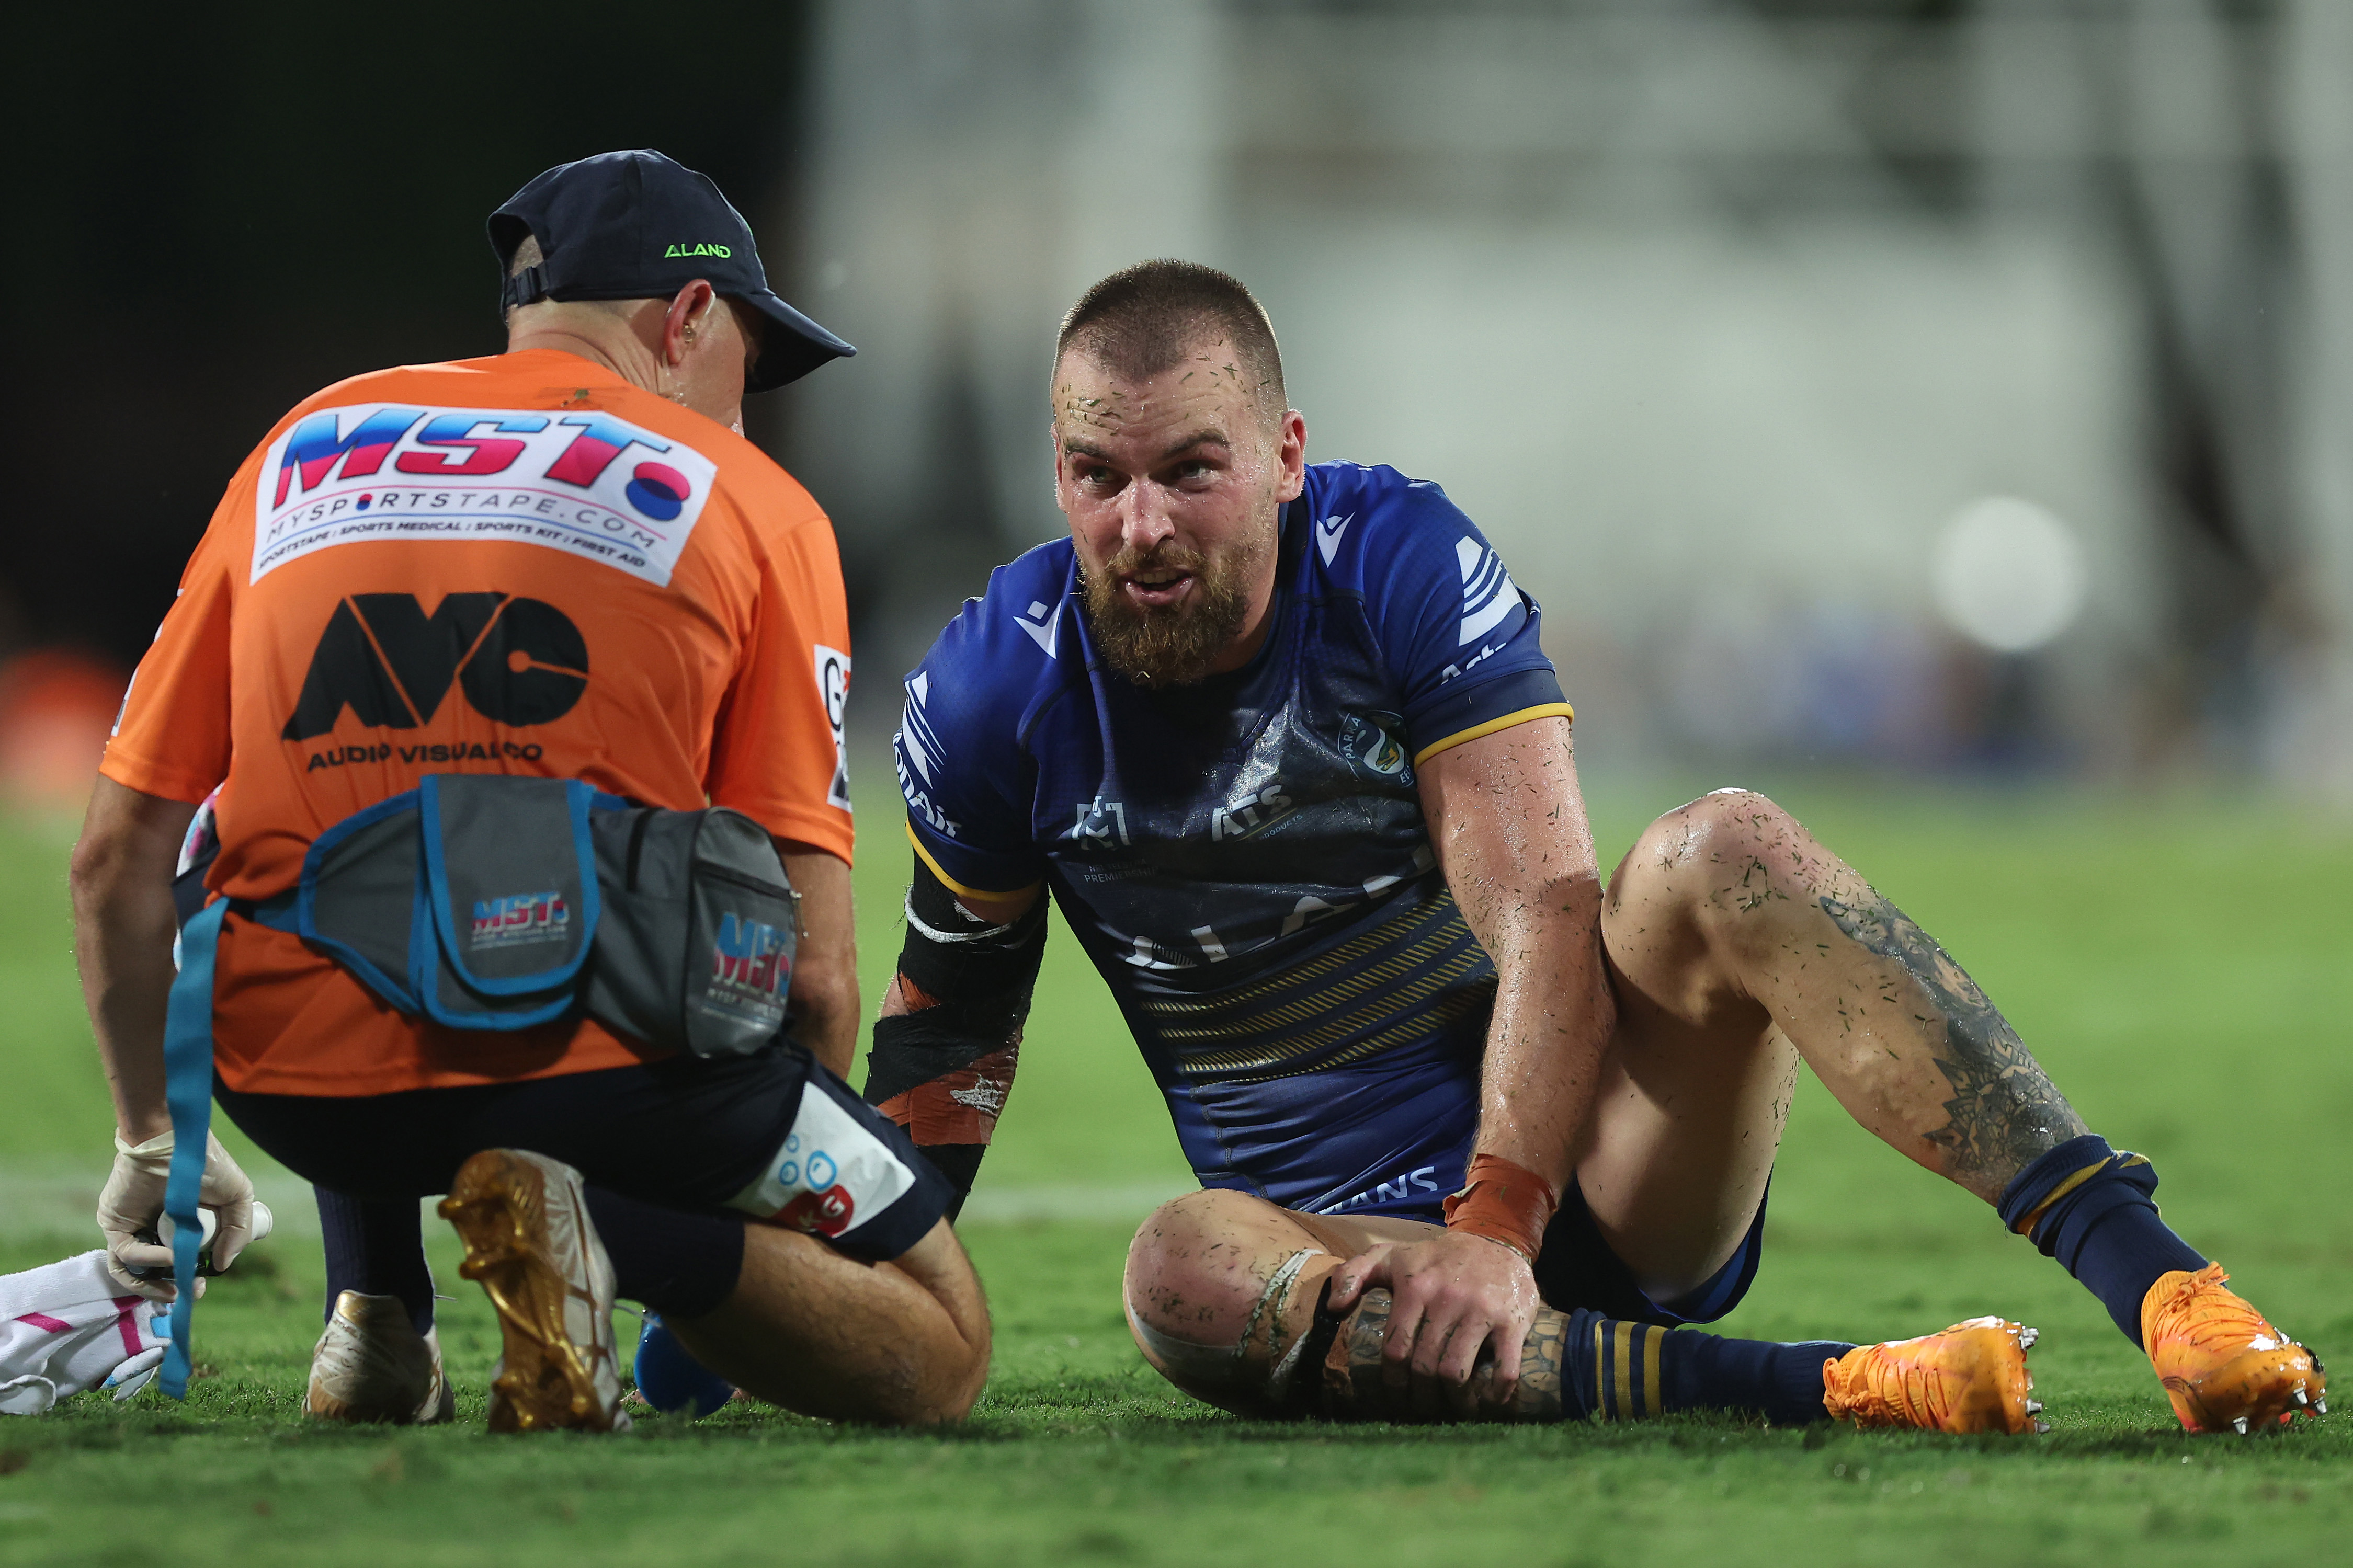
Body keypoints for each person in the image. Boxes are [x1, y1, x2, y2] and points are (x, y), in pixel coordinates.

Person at [863, 258, 2326, 1435]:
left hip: (1593, 1166)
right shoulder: (991, 691)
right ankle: (1852, 1386)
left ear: (1285, 457)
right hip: (1344, 1251)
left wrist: (1499, 1224)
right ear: (1056, 474)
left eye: (1192, 469)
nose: (1140, 524)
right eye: (1097, 475)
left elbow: (1545, 914)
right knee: (1175, 1272)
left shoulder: (1394, 559)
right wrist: (847, 1294)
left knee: (1723, 846)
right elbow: (948, 1036)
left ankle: (2172, 1297)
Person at [73, 150, 988, 1432]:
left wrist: (154, 1144)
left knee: (326, 810)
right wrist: (737, 1244)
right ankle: (603, 1236)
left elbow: (117, 857)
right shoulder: (756, 502)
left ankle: (376, 1319)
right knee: (947, 1346)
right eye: (753, 357)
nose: (748, 402)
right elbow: (820, 968)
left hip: (296, 1085)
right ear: (689, 317)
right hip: (595, 1075)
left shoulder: (304, 440)